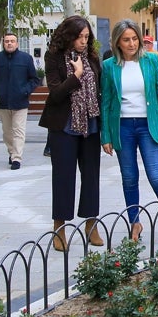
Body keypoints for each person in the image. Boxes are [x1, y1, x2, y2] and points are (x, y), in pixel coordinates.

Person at [101, 19, 158, 247]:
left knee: (156, 176)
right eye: (126, 39)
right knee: (129, 178)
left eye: (134, 38)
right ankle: (134, 223)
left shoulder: (152, 61)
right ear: (117, 41)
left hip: (148, 126)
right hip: (123, 127)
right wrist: (105, 135)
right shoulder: (109, 66)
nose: (131, 43)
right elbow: (106, 101)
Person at [39, 15, 104, 251]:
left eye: (87, 37)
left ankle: (91, 224)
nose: (83, 42)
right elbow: (55, 94)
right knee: (63, 177)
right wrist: (75, 76)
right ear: (68, 36)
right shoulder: (54, 57)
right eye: (79, 37)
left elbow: (100, 89)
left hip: (91, 125)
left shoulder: (93, 58)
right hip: (64, 126)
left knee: (91, 177)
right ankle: (59, 228)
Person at [0, 33, 40, 170]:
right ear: (3, 43)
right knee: (7, 132)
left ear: (17, 43)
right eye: (7, 41)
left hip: (20, 102)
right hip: (3, 102)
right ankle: (12, 152)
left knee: (18, 130)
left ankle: (17, 158)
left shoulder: (26, 59)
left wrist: (25, 91)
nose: (9, 43)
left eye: (12, 41)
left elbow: (34, 79)